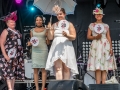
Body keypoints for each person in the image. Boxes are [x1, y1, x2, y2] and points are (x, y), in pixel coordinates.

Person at [46, 5, 78, 80]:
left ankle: (66, 87)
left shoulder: (69, 24)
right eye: (57, 14)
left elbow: (73, 37)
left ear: (64, 14)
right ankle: (59, 86)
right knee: (58, 68)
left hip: (66, 46)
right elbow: (50, 38)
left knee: (66, 68)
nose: (59, 16)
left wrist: (67, 35)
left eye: (60, 14)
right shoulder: (54, 25)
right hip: (56, 46)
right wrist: (49, 30)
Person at [87, 7, 117, 84]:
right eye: (97, 14)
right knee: (98, 66)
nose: (98, 16)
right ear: (95, 15)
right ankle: (97, 84)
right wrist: (95, 37)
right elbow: (88, 36)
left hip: (105, 45)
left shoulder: (106, 26)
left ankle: (103, 84)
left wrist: (111, 48)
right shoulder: (92, 25)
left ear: (102, 15)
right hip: (96, 45)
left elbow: (108, 37)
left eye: (100, 14)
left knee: (105, 65)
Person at [0, 11, 25, 90]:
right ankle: (10, 88)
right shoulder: (6, 31)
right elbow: (1, 43)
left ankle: (12, 88)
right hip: (9, 54)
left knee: (13, 73)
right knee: (9, 72)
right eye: (11, 22)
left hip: (17, 55)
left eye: (14, 22)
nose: (13, 23)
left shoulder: (17, 31)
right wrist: (5, 55)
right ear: (7, 23)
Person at [27, 15, 49, 90]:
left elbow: (48, 42)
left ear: (42, 21)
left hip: (43, 50)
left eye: (40, 20)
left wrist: (48, 35)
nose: (38, 21)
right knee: (35, 69)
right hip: (35, 50)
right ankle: (36, 88)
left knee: (43, 69)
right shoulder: (32, 30)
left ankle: (43, 87)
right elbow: (31, 41)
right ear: (35, 22)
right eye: (37, 20)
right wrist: (29, 43)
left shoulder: (46, 30)